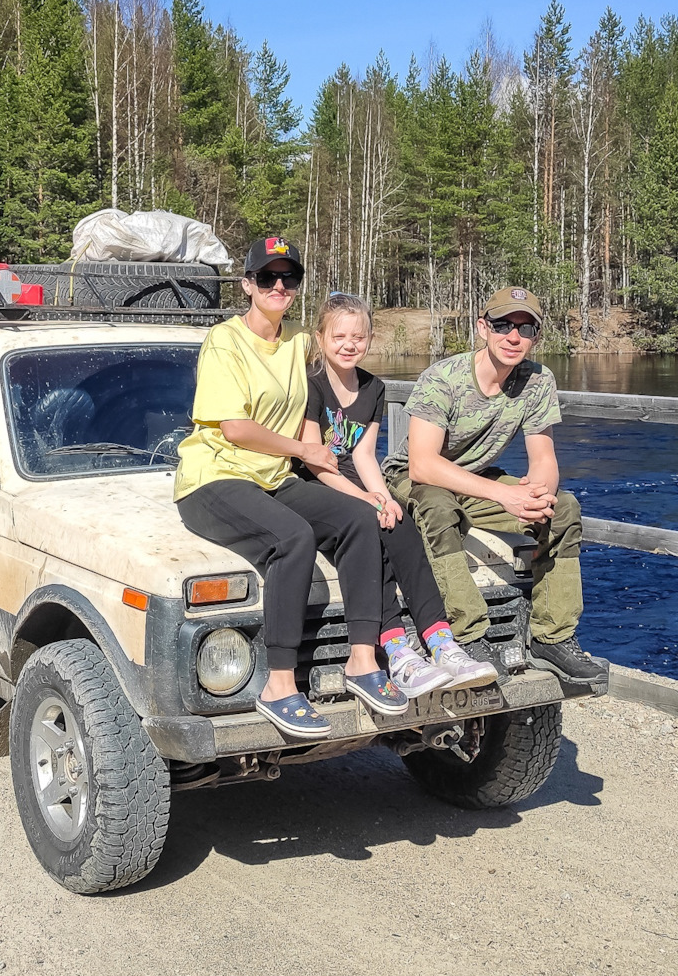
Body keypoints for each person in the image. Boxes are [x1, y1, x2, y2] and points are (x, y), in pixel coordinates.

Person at [172, 239, 408, 741]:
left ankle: (363, 660)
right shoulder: (224, 341)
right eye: (266, 278)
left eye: (289, 279)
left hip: (273, 478)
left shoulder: (300, 343)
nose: (278, 287)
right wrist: (307, 452)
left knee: (359, 518)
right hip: (215, 478)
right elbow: (234, 427)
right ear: (247, 284)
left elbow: (343, 350)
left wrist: (367, 473)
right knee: (293, 537)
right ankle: (280, 685)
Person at [382, 285, 608, 685]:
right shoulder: (444, 378)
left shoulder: (537, 381)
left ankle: (552, 637)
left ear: (537, 337)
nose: (513, 337)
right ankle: (467, 634)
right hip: (414, 477)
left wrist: (536, 496)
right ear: (483, 328)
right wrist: (506, 494)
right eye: (503, 325)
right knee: (438, 508)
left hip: (475, 480)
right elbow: (422, 464)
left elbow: (543, 458)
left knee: (564, 508)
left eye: (525, 328)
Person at [294, 293, 494, 695]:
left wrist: (383, 497)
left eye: (359, 336)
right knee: (371, 532)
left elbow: (366, 454)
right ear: (320, 338)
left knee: (401, 525)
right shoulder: (310, 384)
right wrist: (365, 501)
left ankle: (440, 641)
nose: (349, 344)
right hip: (317, 482)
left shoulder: (373, 387)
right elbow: (316, 461)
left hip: (354, 478)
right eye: (339, 336)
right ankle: (397, 649)